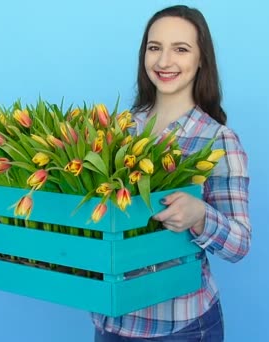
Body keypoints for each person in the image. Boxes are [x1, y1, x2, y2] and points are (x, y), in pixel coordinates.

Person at [92, 5, 252, 341]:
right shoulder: (118, 129)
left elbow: (239, 244)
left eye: (180, 49)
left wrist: (200, 215)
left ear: (201, 60)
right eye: (155, 48)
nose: (164, 62)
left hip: (181, 327)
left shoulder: (218, 140)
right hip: (110, 321)